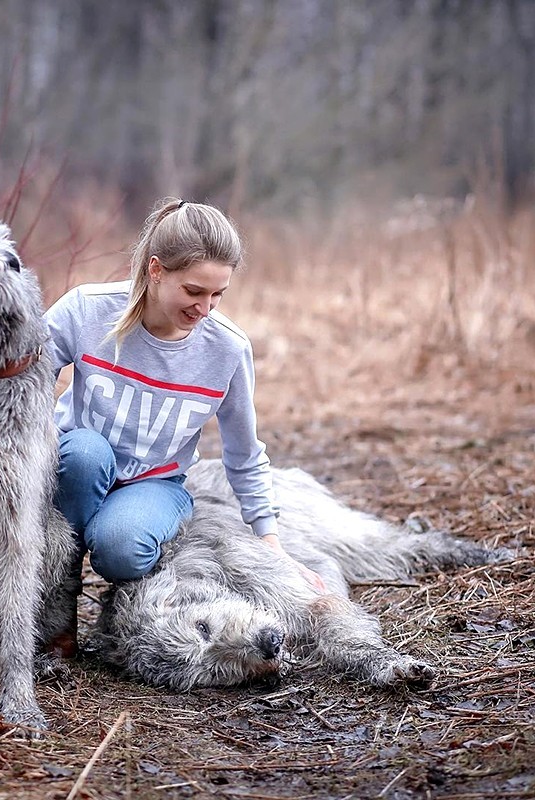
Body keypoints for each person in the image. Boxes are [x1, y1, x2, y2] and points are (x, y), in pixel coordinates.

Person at [44, 198, 325, 655]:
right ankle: (58, 599)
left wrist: (271, 542)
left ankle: (107, 549)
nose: (206, 308)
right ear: (156, 270)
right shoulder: (87, 310)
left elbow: (244, 451)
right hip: (75, 467)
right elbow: (22, 376)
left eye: (218, 295)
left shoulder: (227, 349)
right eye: (194, 291)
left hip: (154, 484)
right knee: (85, 454)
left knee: (121, 548)